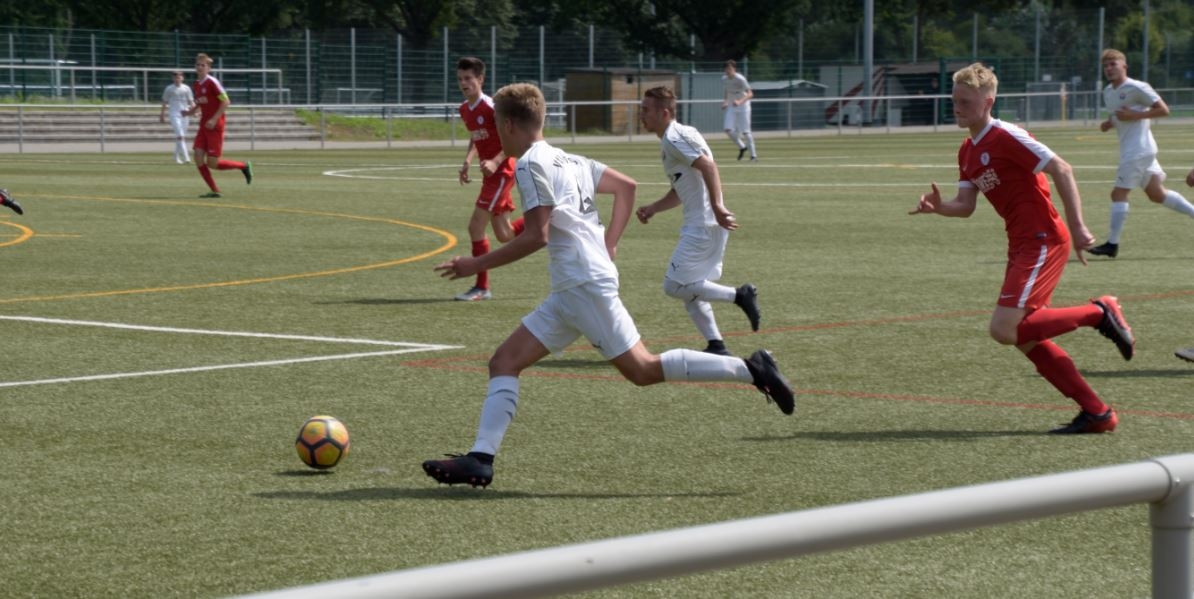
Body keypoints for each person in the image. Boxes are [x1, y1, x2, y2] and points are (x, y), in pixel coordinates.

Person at [422, 83, 796, 487]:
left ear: (510, 124)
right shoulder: (571, 159)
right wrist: (610, 243)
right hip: (572, 289)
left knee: (643, 369)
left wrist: (475, 264)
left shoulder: (530, 164)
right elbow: (626, 187)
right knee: (504, 362)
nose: (497, 133)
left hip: (582, 284)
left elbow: (537, 236)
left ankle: (751, 369)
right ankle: (481, 458)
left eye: (497, 125)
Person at [909, 63, 1134, 435]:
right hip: (1021, 244)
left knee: (1004, 329)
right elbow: (965, 206)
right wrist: (940, 207)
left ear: (988, 102)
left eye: (965, 102)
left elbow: (1062, 168)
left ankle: (1099, 312)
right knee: (1025, 338)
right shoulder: (967, 150)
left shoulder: (1006, 135)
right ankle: (1098, 413)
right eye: (955, 100)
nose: (957, 108)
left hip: (1043, 239)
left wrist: (1078, 226)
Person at [636, 86, 760, 356]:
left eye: (646, 110)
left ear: (664, 112)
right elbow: (681, 190)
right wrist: (654, 208)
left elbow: (708, 166)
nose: (641, 114)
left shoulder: (675, 137)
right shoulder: (674, 137)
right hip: (704, 222)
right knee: (692, 289)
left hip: (704, 225)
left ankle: (740, 295)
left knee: (675, 285)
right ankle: (717, 345)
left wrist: (716, 206)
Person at [1088, 48, 1194, 258]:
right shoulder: (1108, 91)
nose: (1109, 68)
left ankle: (1112, 245)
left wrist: (1134, 115)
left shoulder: (1137, 87)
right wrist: (1110, 123)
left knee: (1118, 194)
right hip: (1136, 150)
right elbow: (1119, 115)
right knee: (1157, 194)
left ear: (1124, 66)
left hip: (1138, 150)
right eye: (1105, 66)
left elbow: (1163, 110)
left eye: (1113, 64)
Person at [452, 56, 525, 301]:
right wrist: (468, 160)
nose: (464, 83)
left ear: (480, 79)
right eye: (460, 79)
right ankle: (548, 220)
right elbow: (476, 136)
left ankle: (482, 287)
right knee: (505, 234)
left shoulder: (493, 107)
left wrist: (495, 160)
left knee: (475, 226)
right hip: (490, 175)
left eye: (468, 78)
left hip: (502, 172)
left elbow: (513, 138)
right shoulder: (465, 109)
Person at [186, 53, 253, 198]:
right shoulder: (197, 84)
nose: (199, 67)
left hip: (215, 125)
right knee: (198, 157)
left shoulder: (212, 82)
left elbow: (226, 101)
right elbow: (201, 102)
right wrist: (189, 112)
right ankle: (215, 190)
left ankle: (243, 166)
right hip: (204, 126)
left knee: (212, 163)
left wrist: (214, 119)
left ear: (208, 68)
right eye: (197, 64)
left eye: (203, 65)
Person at [721, 60, 756, 162]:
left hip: (743, 106)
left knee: (746, 132)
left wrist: (740, 101)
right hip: (732, 105)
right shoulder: (724, 79)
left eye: (730, 68)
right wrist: (725, 101)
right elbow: (727, 90)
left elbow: (750, 94)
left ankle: (753, 156)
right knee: (728, 129)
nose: (728, 71)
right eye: (726, 69)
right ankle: (742, 147)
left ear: (734, 69)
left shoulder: (740, 79)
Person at [159, 70, 195, 164]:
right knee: (180, 136)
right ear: (173, 78)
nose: (177, 79)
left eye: (179, 77)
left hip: (185, 114)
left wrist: (194, 111)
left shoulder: (186, 88)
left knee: (181, 136)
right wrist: (162, 114)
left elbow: (191, 101)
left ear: (182, 78)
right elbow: (165, 102)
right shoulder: (169, 88)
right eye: (175, 77)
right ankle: (187, 158)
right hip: (174, 114)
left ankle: (176, 157)